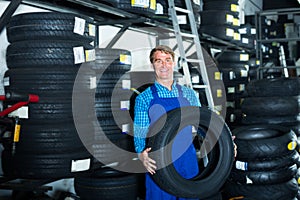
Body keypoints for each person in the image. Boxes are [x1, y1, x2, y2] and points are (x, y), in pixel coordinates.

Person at [133, 45, 201, 200]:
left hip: (187, 157)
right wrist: (141, 155)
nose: (164, 65)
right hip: (158, 160)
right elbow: (140, 132)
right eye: (158, 61)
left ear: (174, 64)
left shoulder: (189, 95)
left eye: (168, 60)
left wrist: (226, 142)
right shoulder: (144, 98)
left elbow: (205, 124)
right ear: (152, 65)